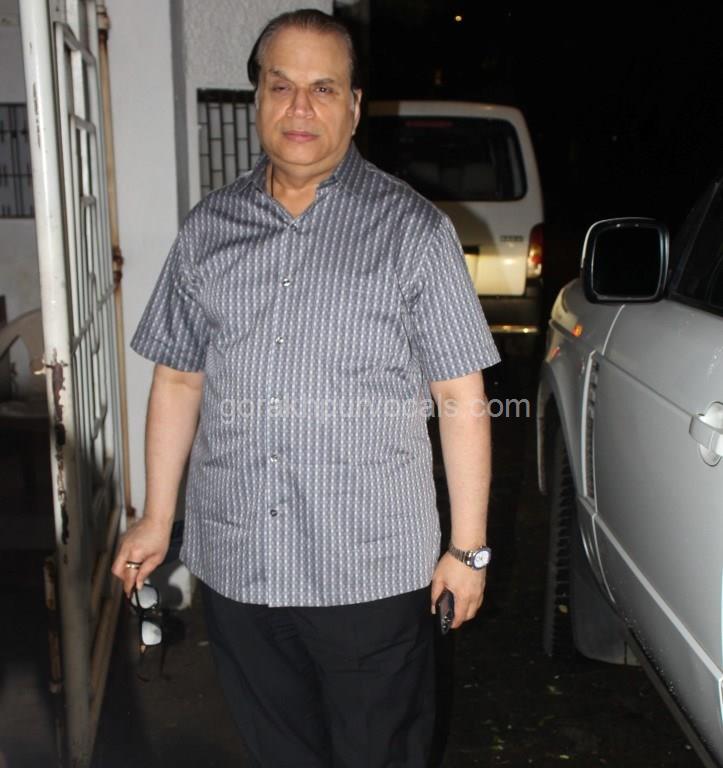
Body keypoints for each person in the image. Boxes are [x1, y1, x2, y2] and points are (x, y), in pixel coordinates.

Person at [112, 8, 500, 766]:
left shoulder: (412, 231)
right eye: (280, 85)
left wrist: (468, 549)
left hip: (369, 574)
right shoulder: (208, 229)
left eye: (323, 88)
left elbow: (460, 396)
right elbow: (178, 377)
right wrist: (158, 517)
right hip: (239, 563)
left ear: (353, 106)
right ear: (257, 98)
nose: (299, 107)